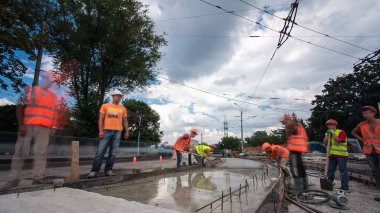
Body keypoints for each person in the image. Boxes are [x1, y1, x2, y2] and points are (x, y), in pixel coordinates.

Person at [1, 72, 64, 190]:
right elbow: (20, 107)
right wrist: (21, 125)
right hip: (28, 126)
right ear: (43, 79)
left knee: (41, 153)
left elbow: (55, 113)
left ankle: (38, 179)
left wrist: (54, 127)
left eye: (51, 81)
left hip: (44, 129)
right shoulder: (30, 90)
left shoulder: (53, 97)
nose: (49, 82)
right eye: (47, 79)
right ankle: (13, 179)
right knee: (20, 153)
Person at [87, 89, 129, 178]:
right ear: (113, 96)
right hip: (106, 131)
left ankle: (108, 170)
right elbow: (100, 119)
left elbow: (125, 121)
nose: (119, 97)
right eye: (117, 95)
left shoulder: (122, 109)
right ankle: (94, 171)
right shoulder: (105, 106)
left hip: (118, 132)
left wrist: (127, 131)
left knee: (113, 153)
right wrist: (101, 131)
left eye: (120, 96)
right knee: (100, 151)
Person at [352, 106, 380, 201]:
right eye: (364, 114)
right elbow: (353, 132)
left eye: (367, 113)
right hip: (369, 151)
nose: (365, 115)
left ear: (373, 113)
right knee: (376, 172)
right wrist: (361, 139)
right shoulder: (362, 125)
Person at [282, 114, 309, 190]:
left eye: (284, 122)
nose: (284, 124)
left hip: (295, 149)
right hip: (299, 149)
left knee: (295, 170)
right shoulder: (299, 125)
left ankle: (299, 189)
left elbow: (291, 131)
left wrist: (287, 126)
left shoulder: (292, 125)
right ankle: (305, 187)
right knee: (301, 168)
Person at [323, 119, 349, 191]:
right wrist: (327, 135)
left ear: (335, 125)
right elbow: (324, 142)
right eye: (328, 125)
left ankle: (345, 186)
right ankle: (329, 183)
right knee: (330, 170)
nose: (329, 126)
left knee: (343, 171)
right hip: (332, 155)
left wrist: (333, 133)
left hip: (341, 155)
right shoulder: (327, 133)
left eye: (330, 125)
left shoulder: (341, 132)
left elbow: (338, 141)